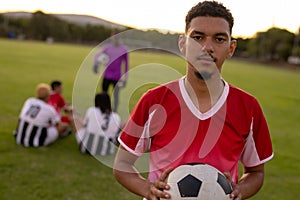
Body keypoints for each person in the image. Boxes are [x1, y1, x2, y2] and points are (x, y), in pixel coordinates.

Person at [113, 1, 273, 200]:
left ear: (231, 48)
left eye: (219, 39)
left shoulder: (248, 108)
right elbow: (122, 164)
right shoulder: (155, 101)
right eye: (197, 37)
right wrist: (147, 189)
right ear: (182, 43)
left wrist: (240, 189)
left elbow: (256, 172)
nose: (207, 47)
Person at [93, 33, 129, 112]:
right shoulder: (107, 48)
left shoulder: (124, 49)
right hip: (106, 76)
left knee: (116, 95)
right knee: (104, 95)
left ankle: (115, 112)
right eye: (114, 38)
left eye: (117, 37)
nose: (116, 39)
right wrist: (95, 64)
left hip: (117, 77)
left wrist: (125, 78)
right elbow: (97, 55)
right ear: (112, 38)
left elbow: (126, 64)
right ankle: (103, 110)